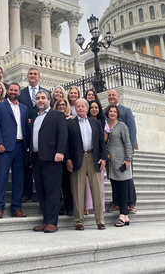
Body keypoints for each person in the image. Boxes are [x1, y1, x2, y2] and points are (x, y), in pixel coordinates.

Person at [66, 99, 107, 230]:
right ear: (75, 109)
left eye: (83, 106)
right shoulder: (70, 123)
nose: (80, 109)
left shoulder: (95, 123)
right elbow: (66, 143)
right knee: (78, 192)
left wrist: (103, 158)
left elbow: (102, 142)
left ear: (87, 108)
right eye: (78, 107)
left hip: (93, 158)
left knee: (97, 191)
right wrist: (68, 159)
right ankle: (78, 221)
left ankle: (100, 220)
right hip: (77, 159)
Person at [30, 90, 67, 233]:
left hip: (52, 158)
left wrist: (60, 152)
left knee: (52, 191)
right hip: (37, 158)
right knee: (41, 191)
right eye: (38, 98)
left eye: (43, 98)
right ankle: (45, 220)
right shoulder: (34, 118)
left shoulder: (57, 115)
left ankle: (52, 222)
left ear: (49, 100)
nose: (40, 100)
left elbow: (63, 135)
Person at [0, 83, 29, 219]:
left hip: (20, 146)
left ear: (19, 92)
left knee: (18, 179)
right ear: (7, 91)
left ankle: (16, 207)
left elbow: (25, 127)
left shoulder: (24, 108)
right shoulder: (0, 106)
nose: (13, 92)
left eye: (16, 90)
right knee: (2, 177)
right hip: (5, 147)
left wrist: (27, 146)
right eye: (11, 89)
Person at [18, 67, 50, 202]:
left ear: (39, 77)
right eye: (30, 74)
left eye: (35, 74)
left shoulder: (46, 93)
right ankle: (27, 191)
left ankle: (41, 190)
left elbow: (50, 112)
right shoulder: (21, 93)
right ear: (27, 77)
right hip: (25, 131)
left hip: (42, 132)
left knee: (41, 161)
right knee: (27, 162)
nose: (32, 76)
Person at [107, 89, 137, 214]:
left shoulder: (126, 110)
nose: (111, 97)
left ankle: (131, 203)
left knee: (127, 178)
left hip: (124, 152)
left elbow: (132, 130)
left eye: (113, 95)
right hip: (112, 155)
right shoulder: (106, 112)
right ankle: (117, 202)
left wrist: (129, 152)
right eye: (109, 95)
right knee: (114, 178)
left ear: (118, 97)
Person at [105, 104, 133, 227]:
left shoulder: (122, 126)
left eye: (114, 111)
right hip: (111, 164)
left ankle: (122, 214)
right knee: (115, 188)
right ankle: (125, 216)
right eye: (110, 111)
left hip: (121, 161)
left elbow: (127, 143)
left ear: (118, 114)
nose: (112, 113)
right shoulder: (105, 126)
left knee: (123, 189)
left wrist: (128, 159)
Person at [84, 99, 109, 215]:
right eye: (92, 107)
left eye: (96, 107)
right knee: (87, 183)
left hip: (97, 154)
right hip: (86, 155)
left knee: (99, 183)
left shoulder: (102, 122)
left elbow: (103, 141)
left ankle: (99, 207)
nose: (94, 109)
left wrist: (103, 156)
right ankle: (88, 206)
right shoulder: (85, 120)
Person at [54, 97, 73, 216]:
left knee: (67, 183)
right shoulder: (52, 118)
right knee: (57, 183)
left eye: (63, 105)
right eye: (59, 105)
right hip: (55, 154)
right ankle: (59, 206)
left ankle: (69, 206)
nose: (61, 106)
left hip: (67, 154)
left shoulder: (71, 120)